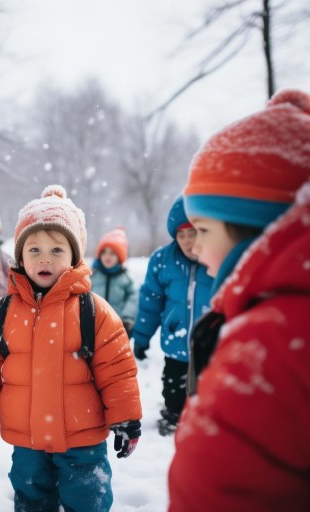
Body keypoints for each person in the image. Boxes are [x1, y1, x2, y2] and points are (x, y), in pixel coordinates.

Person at [168, 89, 310, 511]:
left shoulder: (271, 341)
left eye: (205, 232)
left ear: (256, 228)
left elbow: (222, 484)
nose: (198, 251)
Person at [0, 185, 142, 512]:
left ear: (74, 257)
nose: (44, 257)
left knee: (86, 500)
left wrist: (126, 418)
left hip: (82, 439)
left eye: (56, 250)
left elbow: (117, 371)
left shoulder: (94, 311)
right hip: (27, 438)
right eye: (34, 250)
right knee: (32, 497)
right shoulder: (2, 313)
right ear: (19, 257)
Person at [131, 196, 213, 436]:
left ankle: (207, 421)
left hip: (209, 344)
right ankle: (173, 416)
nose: (187, 241)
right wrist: (142, 338)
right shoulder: (163, 260)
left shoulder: (216, 258)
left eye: (193, 233)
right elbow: (151, 303)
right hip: (176, 341)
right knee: (173, 387)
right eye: (182, 235)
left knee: (209, 388)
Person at [90, 227, 138, 337]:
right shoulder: (93, 274)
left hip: (117, 325)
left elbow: (133, 298)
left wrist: (127, 318)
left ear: (119, 256)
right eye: (104, 252)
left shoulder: (126, 277)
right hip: (94, 325)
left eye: (112, 253)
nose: (107, 256)